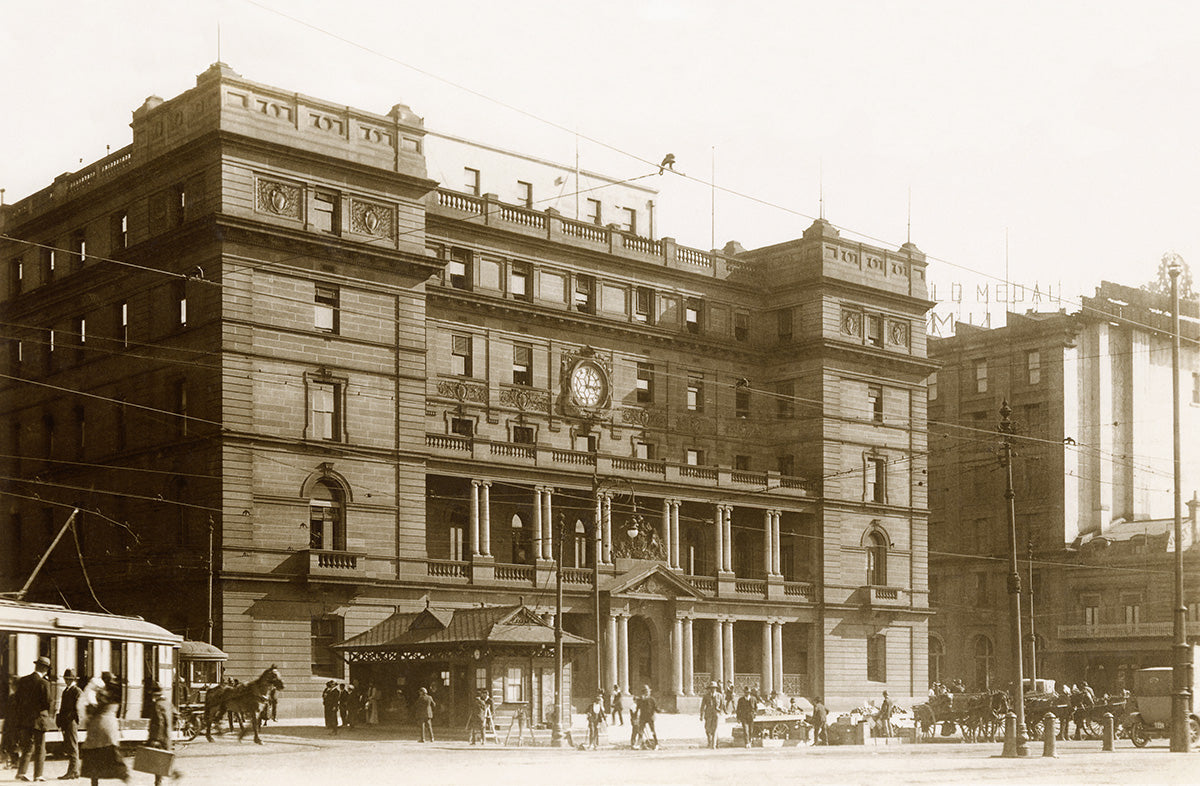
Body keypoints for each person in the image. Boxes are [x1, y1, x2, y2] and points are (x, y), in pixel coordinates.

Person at [14, 654, 54, 782]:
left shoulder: (23, 680)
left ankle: (21, 773)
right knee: (40, 748)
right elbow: (47, 702)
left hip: (25, 719)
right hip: (39, 720)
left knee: (26, 747)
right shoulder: (44, 683)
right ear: (45, 669)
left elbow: (17, 700)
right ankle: (38, 775)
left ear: (36, 666)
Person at [80, 679, 128, 785]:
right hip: (108, 731)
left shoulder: (102, 697)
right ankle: (123, 775)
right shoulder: (113, 699)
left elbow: (94, 710)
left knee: (94, 759)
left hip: (98, 731)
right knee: (110, 754)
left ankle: (123, 775)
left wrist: (89, 710)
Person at [145, 682, 176, 786]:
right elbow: (176, 715)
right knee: (163, 759)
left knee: (158, 760)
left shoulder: (157, 705)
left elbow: (159, 722)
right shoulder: (168, 703)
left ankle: (159, 783)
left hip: (159, 737)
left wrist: (156, 739)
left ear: (154, 695)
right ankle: (162, 780)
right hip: (167, 736)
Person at [58, 669, 83, 780]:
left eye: (68, 679)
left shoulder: (76, 691)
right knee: (69, 746)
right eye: (65, 679)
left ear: (73, 679)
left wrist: (70, 718)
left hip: (71, 722)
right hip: (66, 722)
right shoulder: (66, 691)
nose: (66, 681)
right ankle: (74, 771)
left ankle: (72, 771)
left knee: (72, 746)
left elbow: (79, 708)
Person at [700, 681, 723, 749]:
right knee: (707, 729)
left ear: (716, 688)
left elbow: (722, 704)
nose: (713, 689)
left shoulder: (719, 695)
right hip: (708, 714)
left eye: (714, 688)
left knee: (715, 729)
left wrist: (720, 711)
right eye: (711, 688)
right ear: (709, 689)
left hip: (716, 714)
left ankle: (713, 744)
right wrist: (701, 715)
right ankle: (710, 741)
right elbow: (702, 706)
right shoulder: (706, 696)